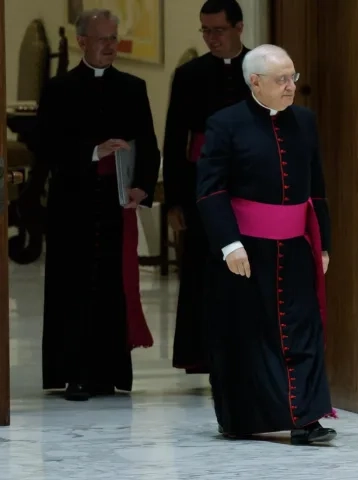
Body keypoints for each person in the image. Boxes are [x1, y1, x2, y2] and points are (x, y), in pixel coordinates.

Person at [195, 44, 336, 443]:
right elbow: (210, 191)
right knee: (246, 336)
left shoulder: (305, 121)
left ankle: (307, 419)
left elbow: (317, 189)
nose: (292, 86)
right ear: (255, 82)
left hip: (294, 248)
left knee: (302, 328)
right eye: (282, 79)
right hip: (246, 251)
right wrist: (229, 245)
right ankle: (241, 418)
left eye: (293, 77)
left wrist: (322, 243)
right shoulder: (225, 124)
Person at [35, 8, 159, 401]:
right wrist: (93, 151)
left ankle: (109, 373)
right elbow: (46, 148)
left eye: (114, 37)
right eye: (103, 39)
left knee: (112, 288)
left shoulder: (133, 87)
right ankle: (73, 374)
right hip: (72, 204)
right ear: (82, 42)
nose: (111, 46)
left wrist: (141, 187)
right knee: (73, 287)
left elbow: (149, 144)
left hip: (115, 203)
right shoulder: (59, 89)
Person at [164, 0, 251, 374]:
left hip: (250, 187)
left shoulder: (259, 69)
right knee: (201, 270)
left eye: (218, 30)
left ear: (239, 28)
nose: (211, 38)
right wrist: (174, 201)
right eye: (205, 30)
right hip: (203, 187)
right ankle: (200, 353)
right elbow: (175, 141)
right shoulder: (189, 75)